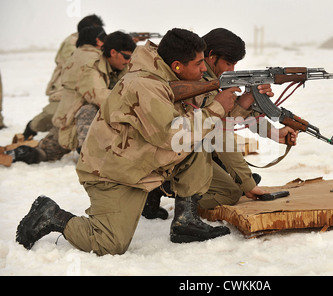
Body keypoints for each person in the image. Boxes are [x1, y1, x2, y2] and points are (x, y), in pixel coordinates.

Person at [16, 28, 241, 255]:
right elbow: (172, 134)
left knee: (198, 137)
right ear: (177, 66)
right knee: (109, 244)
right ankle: (51, 215)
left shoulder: (173, 78)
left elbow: (212, 119)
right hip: (112, 174)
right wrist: (216, 107)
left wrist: (246, 101)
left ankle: (186, 221)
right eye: (199, 63)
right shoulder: (145, 85)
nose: (205, 69)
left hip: (140, 163)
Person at [141, 28, 297, 217]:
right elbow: (220, 129)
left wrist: (270, 128)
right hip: (169, 152)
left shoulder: (206, 80)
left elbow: (228, 115)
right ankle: (171, 191)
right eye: (228, 63)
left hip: (185, 148)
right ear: (211, 56)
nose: (231, 70)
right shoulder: (196, 81)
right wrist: (246, 183)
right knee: (230, 192)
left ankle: (173, 189)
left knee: (232, 182)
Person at [3, 30, 135, 165]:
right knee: (42, 153)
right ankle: (91, 159)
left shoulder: (120, 68)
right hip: (72, 125)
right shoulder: (91, 69)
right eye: (126, 57)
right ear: (113, 53)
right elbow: (102, 98)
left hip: (89, 125)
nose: (128, 61)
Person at [21, 14, 104, 140]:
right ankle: (32, 127)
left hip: (79, 83)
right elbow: (72, 63)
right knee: (54, 113)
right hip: (64, 84)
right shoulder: (73, 43)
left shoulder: (91, 42)